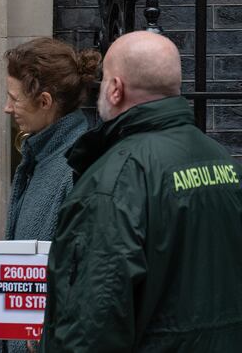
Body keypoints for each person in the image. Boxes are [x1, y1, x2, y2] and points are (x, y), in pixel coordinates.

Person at [40, 31, 242, 352]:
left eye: (104, 79)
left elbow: (92, 322)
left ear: (116, 88)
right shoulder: (223, 161)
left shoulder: (113, 181)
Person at [1, 38, 100, 353]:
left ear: (45, 101)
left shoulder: (75, 167)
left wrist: (49, 335)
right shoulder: (42, 156)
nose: (7, 108)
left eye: (14, 98)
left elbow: (91, 273)